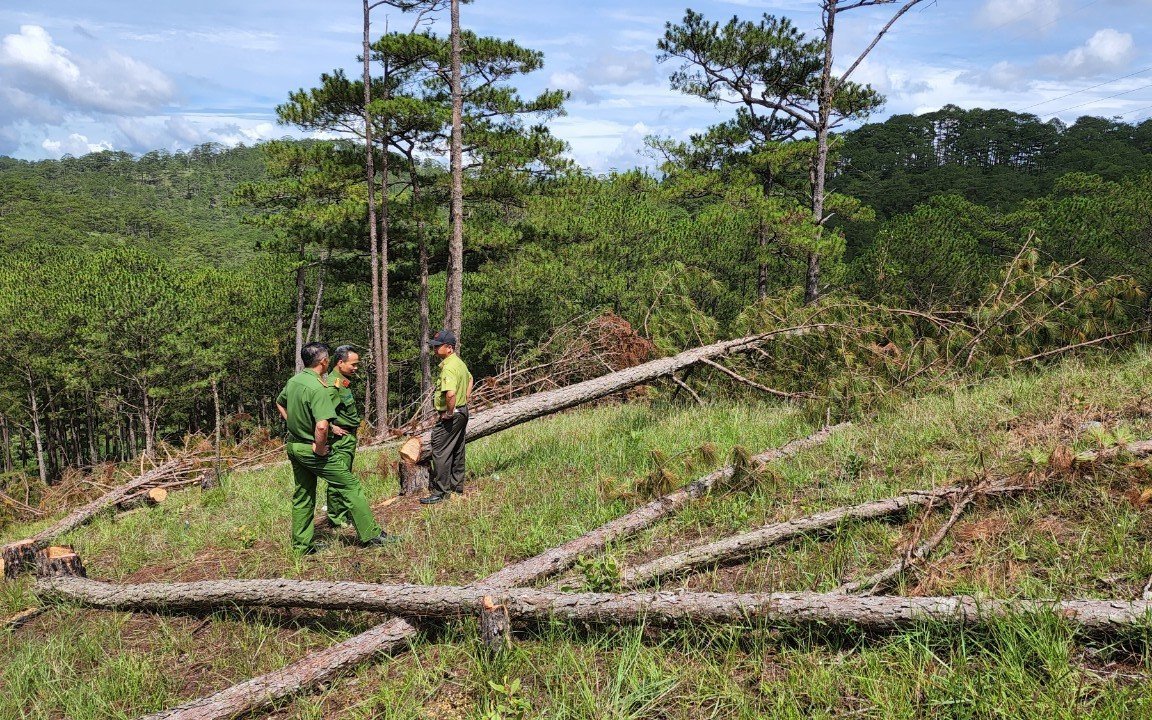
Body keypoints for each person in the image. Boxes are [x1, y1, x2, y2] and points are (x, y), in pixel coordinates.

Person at [276, 342, 392, 554]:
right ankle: (371, 534)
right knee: (350, 485)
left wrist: (295, 424)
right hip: (312, 449)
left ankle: (301, 547)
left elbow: (279, 402)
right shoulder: (318, 387)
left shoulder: (293, 382)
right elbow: (322, 426)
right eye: (327, 358)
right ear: (323, 361)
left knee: (303, 495)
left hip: (294, 446)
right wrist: (319, 448)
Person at [420, 329, 473, 505]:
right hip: (462, 411)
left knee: (440, 449)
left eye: (438, 346)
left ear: (449, 348)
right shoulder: (459, 363)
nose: (434, 349)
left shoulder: (449, 367)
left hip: (453, 414)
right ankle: (457, 487)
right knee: (458, 448)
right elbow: (470, 378)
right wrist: (465, 399)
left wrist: (450, 412)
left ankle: (441, 492)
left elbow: (450, 394)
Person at [324, 345, 361, 529]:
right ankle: (336, 518)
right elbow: (320, 413)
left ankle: (343, 513)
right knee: (339, 477)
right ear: (340, 362)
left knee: (345, 476)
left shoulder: (342, 382)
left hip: (348, 438)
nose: (356, 368)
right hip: (341, 440)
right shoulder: (332, 385)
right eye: (353, 364)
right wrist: (331, 428)